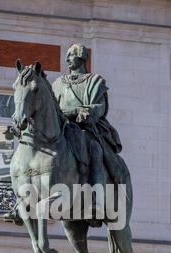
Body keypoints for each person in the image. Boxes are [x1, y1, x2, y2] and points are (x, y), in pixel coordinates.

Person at [52, 43, 127, 221]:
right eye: (67, 55)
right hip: (62, 131)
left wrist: (81, 112)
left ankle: (97, 201)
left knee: (95, 151)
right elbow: (51, 110)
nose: (67, 59)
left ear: (82, 57)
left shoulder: (95, 82)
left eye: (71, 55)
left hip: (86, 129)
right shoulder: (57, 84)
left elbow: (99, 108)